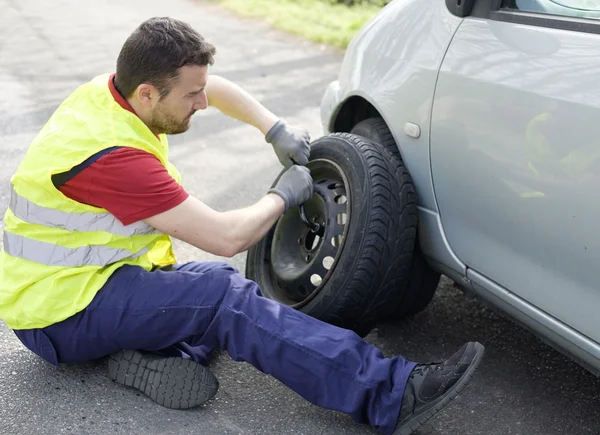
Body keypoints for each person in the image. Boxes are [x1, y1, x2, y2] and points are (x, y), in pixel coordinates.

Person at [0, 17, 484, 435]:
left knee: (222, 288)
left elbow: (213, 87)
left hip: (82, 285)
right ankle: (390, 393)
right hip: (59, 315)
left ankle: (147, 354)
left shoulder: (113, 92)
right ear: (148, 92)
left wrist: (273, 129)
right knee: (224, 300)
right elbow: (226, 237)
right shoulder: (113, 160)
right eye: (191, 96)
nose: (203, 103)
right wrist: (282, 195)